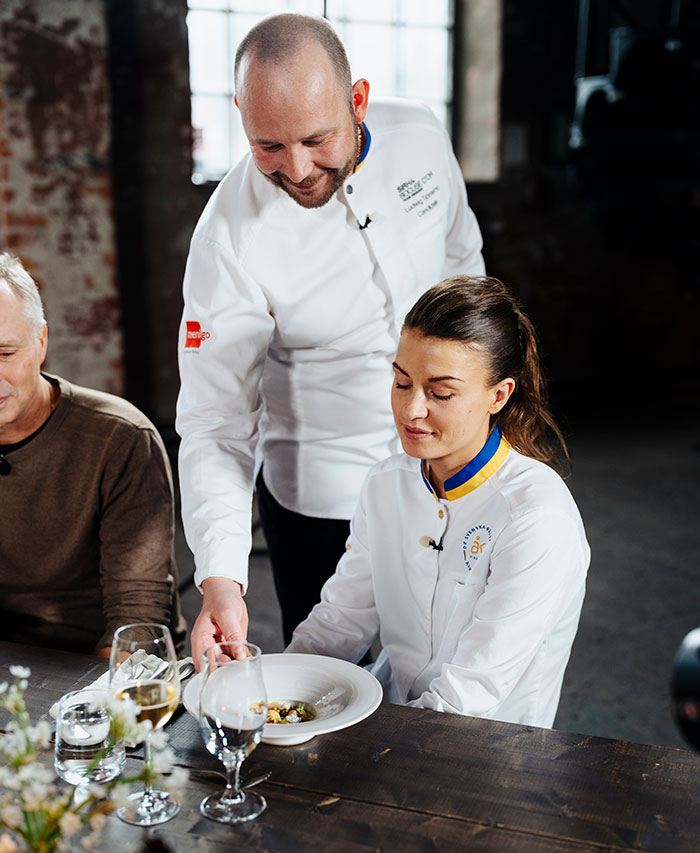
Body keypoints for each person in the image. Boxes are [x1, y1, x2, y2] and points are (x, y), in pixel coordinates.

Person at [176, 12, 485, 664]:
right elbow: (215, 423)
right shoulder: (227, 238)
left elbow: (465, 263)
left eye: (317, 139)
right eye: (268, 145)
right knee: (334, 682)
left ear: (358, 101)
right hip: (325, 499)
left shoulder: (419, 135)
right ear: (240, 116)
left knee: (459, 658)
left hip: (456, 462)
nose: (297, 169)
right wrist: (221, 579)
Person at [287, 276, 590, 727]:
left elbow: (467, 698)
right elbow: (341, 621)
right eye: (402, 383)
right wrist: (274, 691)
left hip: (486, 748)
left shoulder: (535, 517)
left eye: (441, 393)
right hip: (392, 715)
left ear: (499, 395)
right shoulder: (385, 485)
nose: (411, 410)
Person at [0, 252, 186, 656]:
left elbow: (137, 619)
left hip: (100, 665)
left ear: (41, 341)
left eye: (5, 354)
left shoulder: (120, 438)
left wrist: (90, 693)